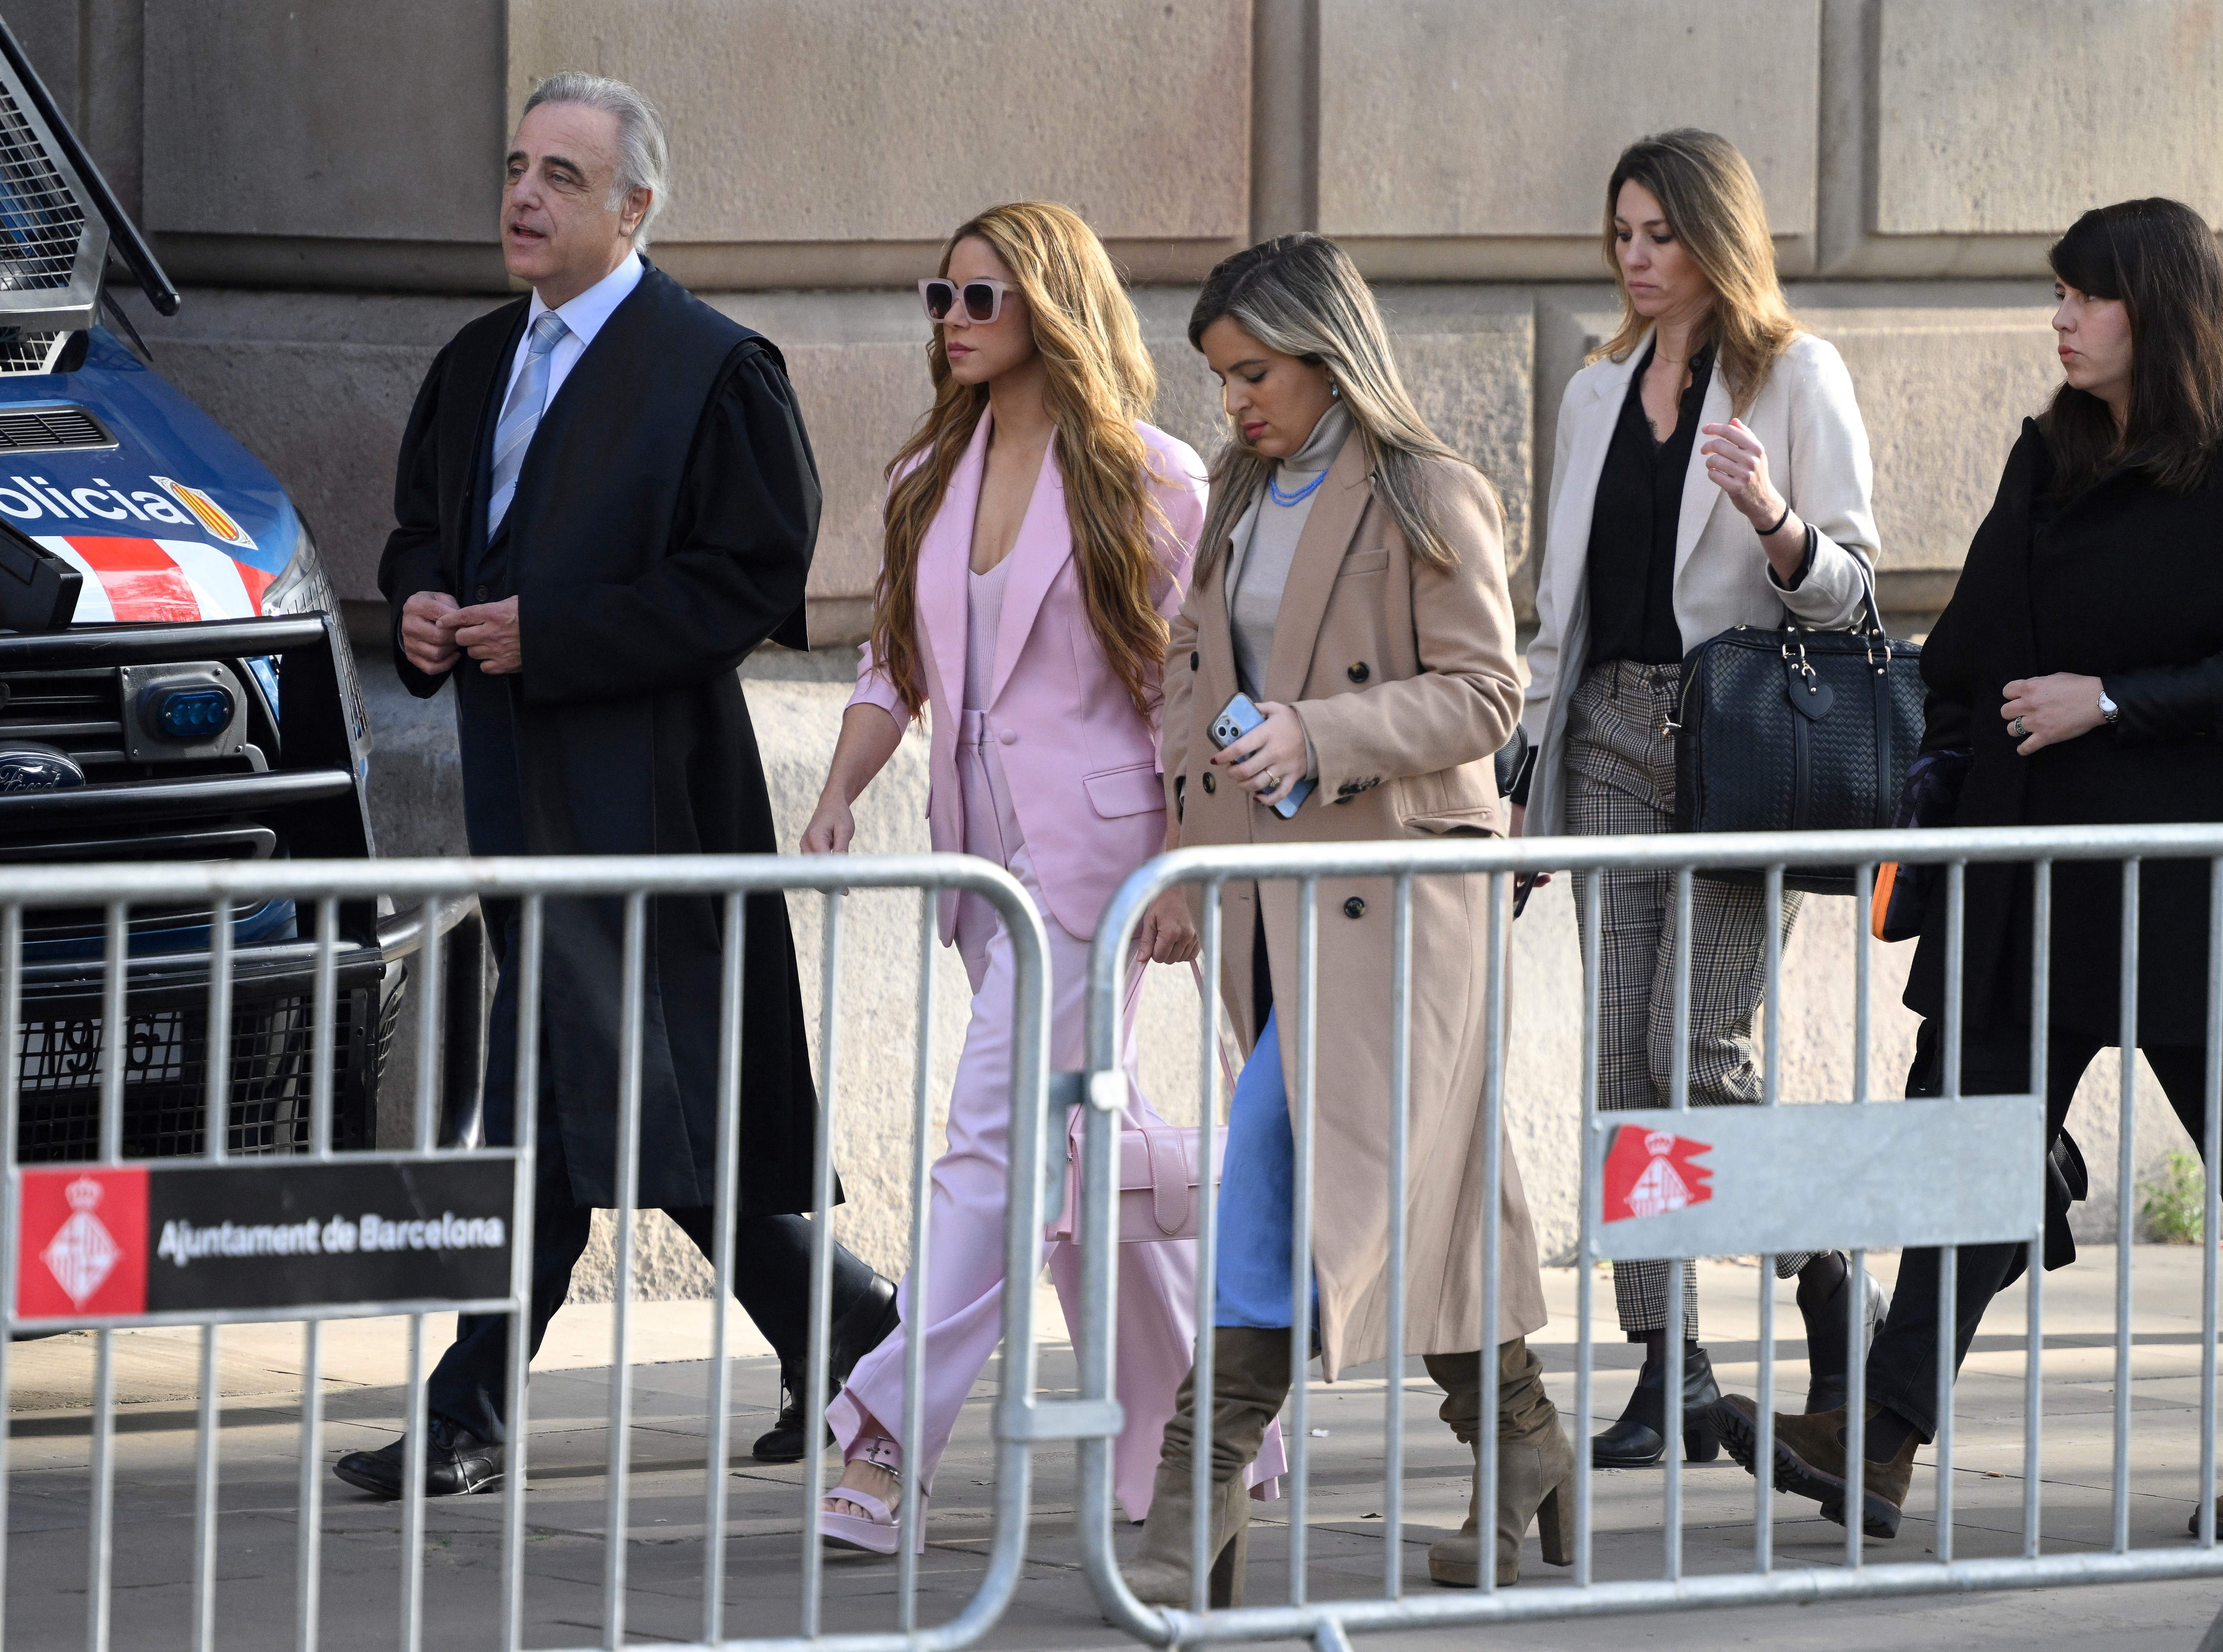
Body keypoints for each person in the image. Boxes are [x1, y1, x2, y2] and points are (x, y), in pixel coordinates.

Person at [1717, 198, 2223, 1543]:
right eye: (2059, 293)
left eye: (2084, 296)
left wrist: (2112, 700)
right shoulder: (2051, 457)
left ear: (2153, 306)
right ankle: (1881, 1433)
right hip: (2050, 882)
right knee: (1970, 1144)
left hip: (2205, 893)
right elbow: (1973, 640)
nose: (2059, 317)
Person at [343, 72, 895, 1499]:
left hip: (656, 795)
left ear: (636, 207)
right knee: (639, 1100)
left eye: (564, 178)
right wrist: (418, 605)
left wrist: (558, 634)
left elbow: (755, 580)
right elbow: (421, 530)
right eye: (518, 168)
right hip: (517, 787)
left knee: (553, 1095)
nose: (525, 197)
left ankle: (470, 1409)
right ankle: (849, 1327)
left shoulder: (716, 366)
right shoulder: (473, 358)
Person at [802, 201, 1284, 1555]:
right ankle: (1202, 1425)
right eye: (939, 296)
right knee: (1069, 1155)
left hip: (1103, 858)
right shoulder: (923, 475)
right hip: (983, 857)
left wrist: (1187, 870)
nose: (952, 321)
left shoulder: (1148, 474)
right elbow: (889, 665)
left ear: (1051, 309)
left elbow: (1183, 691)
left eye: (980, 298)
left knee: (992, 1140)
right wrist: (838, 790)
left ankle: (886, 1433)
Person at [1121, 232, 1560, 1602]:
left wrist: (1323, 730)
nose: (1235, 400)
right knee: (1418, 1191)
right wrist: (1193, 855)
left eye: (1255, 371)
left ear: (1329, 353)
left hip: (1399, 888)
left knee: (1283, 1152)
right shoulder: (1243, 496)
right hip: (1271, 891)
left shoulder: (1431, 492)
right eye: (1219, 376)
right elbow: (1198, 684)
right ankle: (1523, 1438)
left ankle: (1199, 1482)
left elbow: (1487, 692)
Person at [1513, 129, 1886, 1470]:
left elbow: (1854, 582)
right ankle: (1667, 1361)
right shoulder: (1592, 389)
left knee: (1697, 1053)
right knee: (1624, 1064)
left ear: (1715, 239)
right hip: (1611, 735)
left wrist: (1776, 518)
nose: (1634, 257)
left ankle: (1834, 1272)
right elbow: (1559, 614)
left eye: (1659, 233)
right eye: (1620, 233)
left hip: (1740, 751)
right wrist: (1527, 787)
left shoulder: (1794, 375)